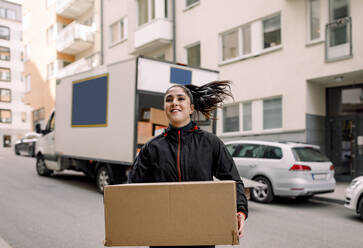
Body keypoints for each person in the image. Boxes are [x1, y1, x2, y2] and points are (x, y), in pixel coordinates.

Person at [128, 80, 248, 248]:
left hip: (201, 234)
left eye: (180, 98)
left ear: (191, 108)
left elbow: (233, 180)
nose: (174, 102)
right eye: (169, 99)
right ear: (165, 108)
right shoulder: (151, 147)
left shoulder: (211, 143)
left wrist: (240, 210)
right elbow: (132, 188)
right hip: (162, 236)